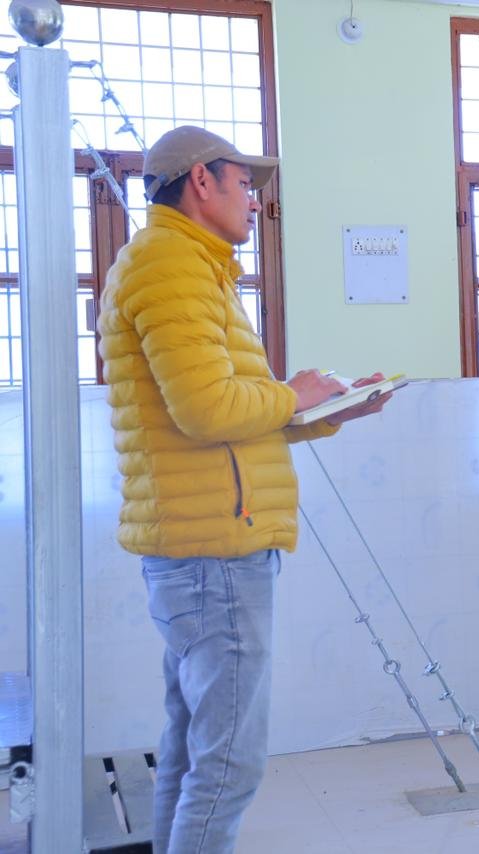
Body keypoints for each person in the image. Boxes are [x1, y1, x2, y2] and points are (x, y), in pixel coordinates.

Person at [97, 126, 391, 854]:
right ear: (202, 180)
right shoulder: (171, 265)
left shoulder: (192, 266)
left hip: (208, 548)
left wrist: (332, 410)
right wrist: (295, 394)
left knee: (196, 747)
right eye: (244, 184)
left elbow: (231, 418)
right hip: (215, 557)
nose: (256, 201)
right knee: (230, 761)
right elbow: (207, 411)